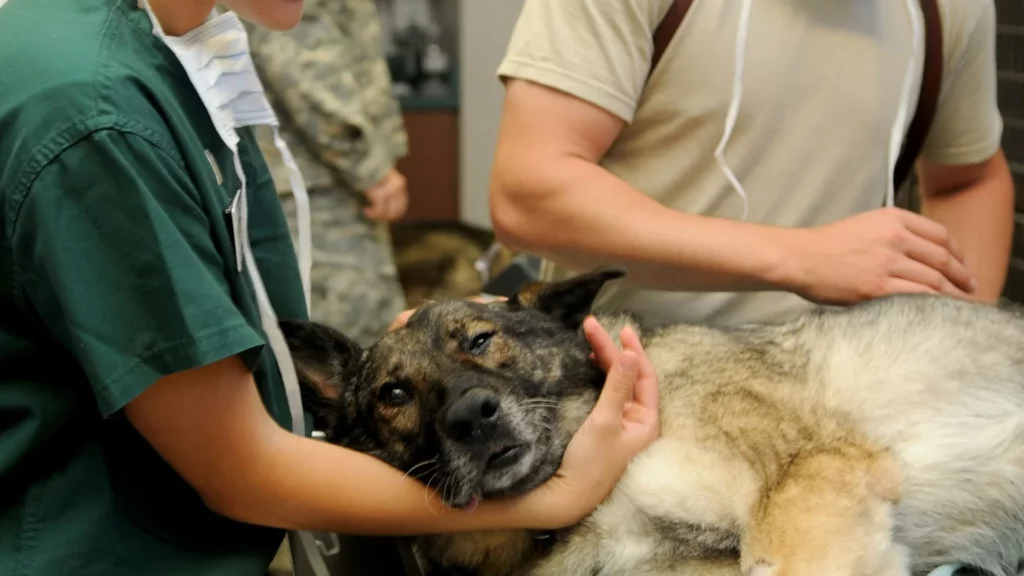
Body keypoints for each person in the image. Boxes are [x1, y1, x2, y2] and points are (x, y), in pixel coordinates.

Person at [0, 1, 660, 575]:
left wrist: (432, 353)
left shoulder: (185, 46)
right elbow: (238, 469)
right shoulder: (93, 114)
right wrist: (562, 494)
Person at [490, 0, 1015, 328]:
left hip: (850, 385)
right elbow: (530, 192)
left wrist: (956, 340)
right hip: (630, 380)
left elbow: (969, 179)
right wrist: (800, 257)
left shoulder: (951, 10)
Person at [246, 0, 411, 348]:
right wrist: (371, 169)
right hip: (316, 188)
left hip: (318, 181)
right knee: (347, 351)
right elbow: (299, 58)